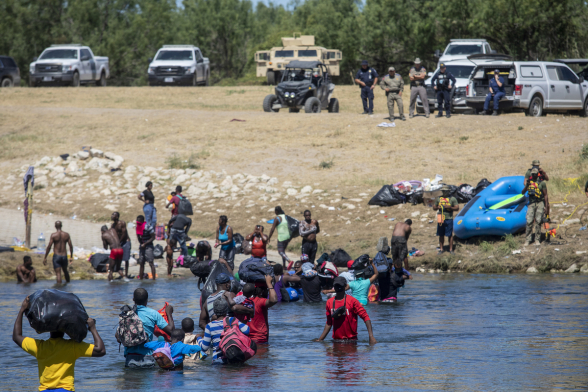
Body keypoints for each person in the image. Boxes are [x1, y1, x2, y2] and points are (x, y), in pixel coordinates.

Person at [13, 296, 106, 391]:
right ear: (65, 329)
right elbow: (100, 350)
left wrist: (22, 309)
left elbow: (16, 336)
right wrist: (93, 328)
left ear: (48, 329)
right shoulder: (72, 347)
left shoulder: (39, 347)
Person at [315, 276, 376, 344]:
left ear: (345, 286)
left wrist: (371, 336)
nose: (338, 288)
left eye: (340, 285)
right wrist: (320, 339)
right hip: (336, 341)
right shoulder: (329, 302)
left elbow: (366, 318)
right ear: (334, 287)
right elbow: (329, 323)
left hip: (351, 341)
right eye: (336, 286)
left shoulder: (353, 301)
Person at [123, 288, 175, 368]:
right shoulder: (153, 314)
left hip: (130, 358)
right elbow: (171, 331)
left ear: (133, 299)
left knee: (131, 380)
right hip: (147, 357)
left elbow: (119, 337)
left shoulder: (126, 314)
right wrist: (169, 313)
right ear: (147, 300)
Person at [198, 297, 250, 364]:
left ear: (214, 311)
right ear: (226, 310)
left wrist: (198, 338)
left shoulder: (210, 326)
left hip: (217, 361)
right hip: (233, 358)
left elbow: (204, 348)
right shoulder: (232, 320)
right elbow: (247, 330)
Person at [522, 168, 550, 246]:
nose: (534, 175)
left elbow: (545, 195)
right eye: (532, 174)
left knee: (538, 221)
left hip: (540, 202)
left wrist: (546, 206)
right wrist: (526, 185)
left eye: (535, 174)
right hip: (531, 203)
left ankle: (537, 239)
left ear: (537, 174)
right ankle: (528, 239)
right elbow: (522, 192)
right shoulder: (529, 183)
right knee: (529, 221)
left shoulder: (542, 183)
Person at [249, 275, 278, 343]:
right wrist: (269, 283)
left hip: (248, 338)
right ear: (261, 292)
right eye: (266, 290)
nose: (267, 292)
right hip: (259, 339)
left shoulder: (247, 300)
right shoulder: (260, 301)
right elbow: (273, 300)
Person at [433, 185, 459, 254]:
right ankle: (441, 249)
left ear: (448, 191)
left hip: (449, 218)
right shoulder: (439, 199)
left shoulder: (452, 199)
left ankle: (451, 249)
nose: (444, 192)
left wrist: (450, 207)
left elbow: (457, 208)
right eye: (443, 191)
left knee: (450, 235)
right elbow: (434, 207)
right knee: (441, 234)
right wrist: (437, 207)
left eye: (446, 191)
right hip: (440, 218)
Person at [111, 212, 131, 278]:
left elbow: (124, 234)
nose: (111, 216)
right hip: (119, 243)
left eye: (113, 215)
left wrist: (119, 242)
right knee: (117, 257)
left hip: (125, 241)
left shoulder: (122, 223)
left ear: (117, 217)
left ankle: (126, 274)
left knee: (126, 258)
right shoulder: (112, 225)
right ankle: (118, 270)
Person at [136, 215, 156, 280]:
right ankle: (141, 279)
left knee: (151, 263)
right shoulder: (138, 227)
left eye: (139, 222)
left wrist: (145, 243)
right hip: (142, 246)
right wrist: (141, 243)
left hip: (149, 246)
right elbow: (138, 236)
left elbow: (153, 237)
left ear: (142, 221)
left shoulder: (148, 227)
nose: (138, 223)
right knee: (141, 263)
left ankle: (153, 279)